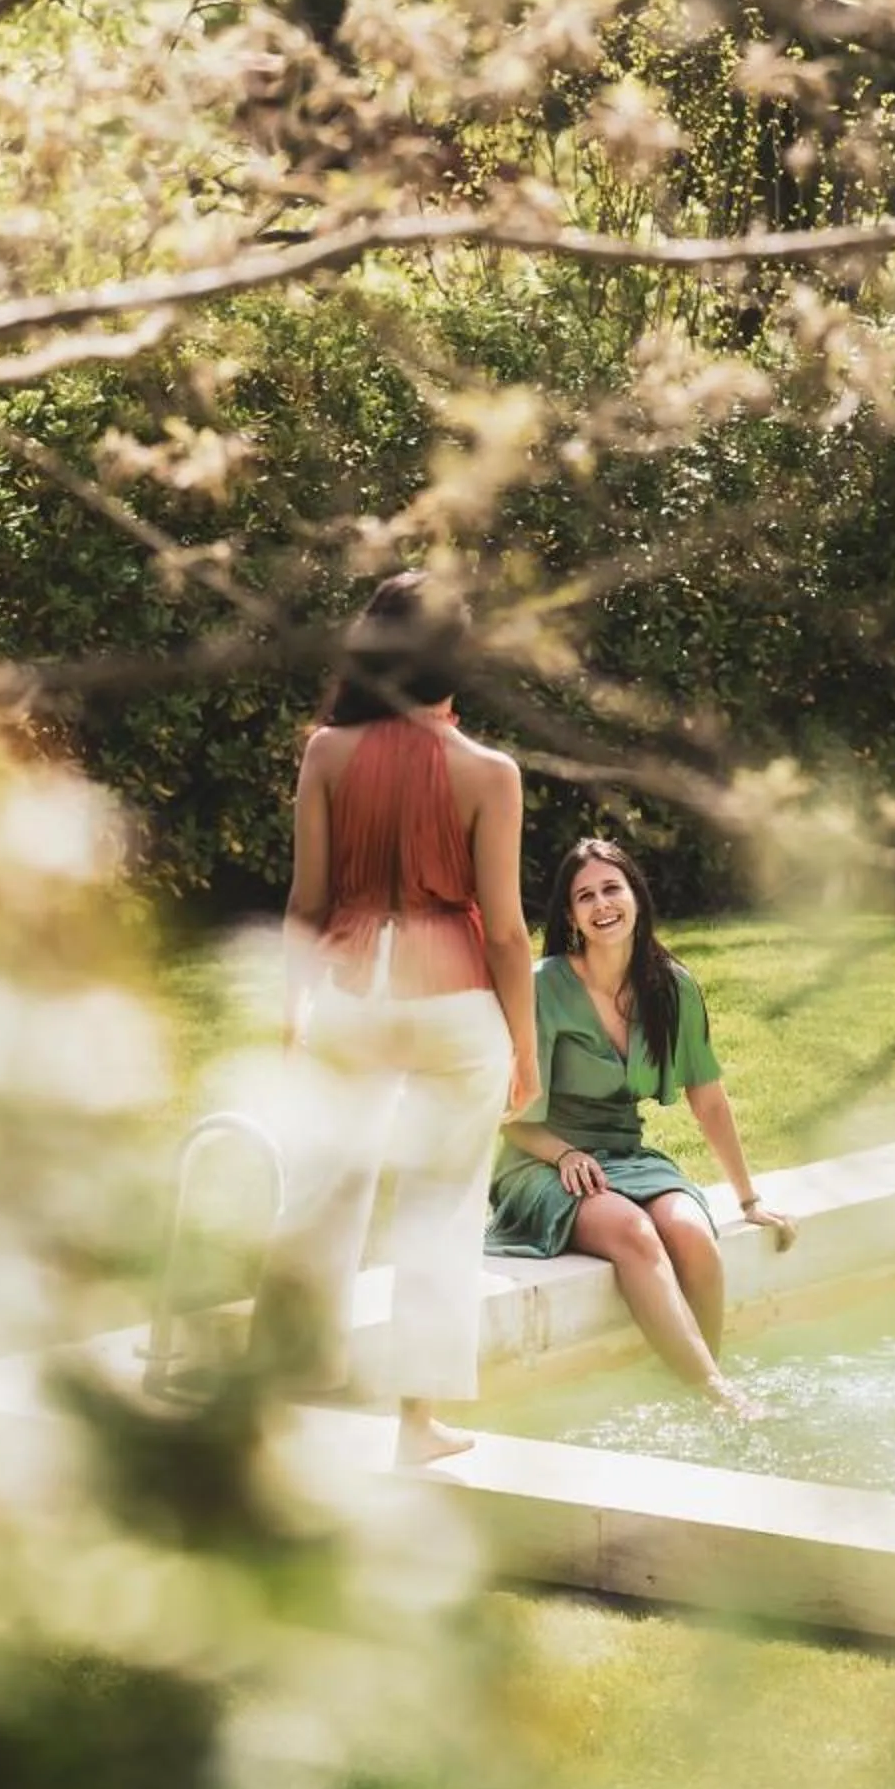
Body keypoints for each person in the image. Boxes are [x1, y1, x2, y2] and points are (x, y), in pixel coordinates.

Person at [258, 574, 540, 1464]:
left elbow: (305, 903)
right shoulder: (491, 773)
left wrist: (290, 1011)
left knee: (319, 1196)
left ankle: (275, 1404)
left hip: (350, 996)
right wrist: (525, 1047)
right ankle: (417, 1427)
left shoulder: (326, 754)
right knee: (441, 1210)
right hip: (457, 1009)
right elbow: (502, 930)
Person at [487, 836, 793, 1406]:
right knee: (634, 1232)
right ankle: (716, 1395)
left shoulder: (671, 986)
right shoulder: (543, 985)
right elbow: (506, 1116)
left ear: (635, 896)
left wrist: (749, 1201)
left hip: (625, 1157)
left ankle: (697, 1382)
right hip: (542, 1162)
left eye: (611, 888)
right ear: (570, 915)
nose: (602, 905)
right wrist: (564, 1154)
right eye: (585, 896)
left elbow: (710, 1098)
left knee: (694, 1235)